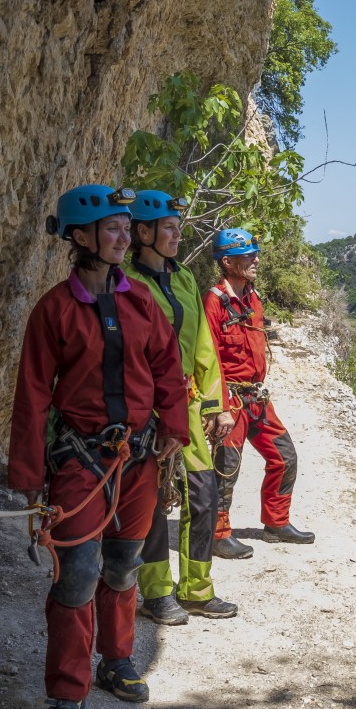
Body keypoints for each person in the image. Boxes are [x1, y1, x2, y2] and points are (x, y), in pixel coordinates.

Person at [9, 185, 189, 709]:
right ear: (80, 237)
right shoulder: (55, 311)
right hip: (80, 456)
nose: (120, 236)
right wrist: (29, 477)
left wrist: (175, 430)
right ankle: (66, 689)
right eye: (110, 228)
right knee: (78, 573)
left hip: (139, 454)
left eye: (122, 227)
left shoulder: (140, 302)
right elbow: (33, 393)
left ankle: (116, 661)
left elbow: (166, 367)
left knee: (122, 562)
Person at [126, 190, 238, 623]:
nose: (177, 235)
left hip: (187, 403)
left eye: (177, 227)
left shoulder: (183, 277)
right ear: (144, 232)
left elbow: (204, 346)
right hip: (146, 407)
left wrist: (216, 404)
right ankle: (156, 592)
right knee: (152, 502)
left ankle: (197, 588)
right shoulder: (128, 282)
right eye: (168, 228)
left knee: (203, 495)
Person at [204, 226, 315, 552]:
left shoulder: (252, 297)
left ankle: (276, 523)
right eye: (247, 255)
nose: (255, 260)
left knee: (285, 457)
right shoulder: (214, 302)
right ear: (226, 261)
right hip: (233, 401)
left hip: (256, 397)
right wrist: (219, 406)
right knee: (226, 467)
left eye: (255, 253)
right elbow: (207, 357)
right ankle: (218, 534)